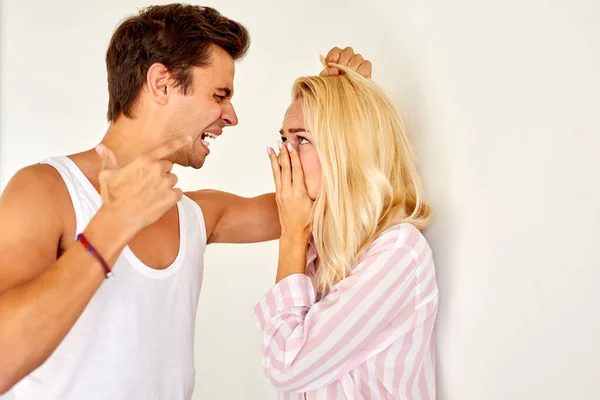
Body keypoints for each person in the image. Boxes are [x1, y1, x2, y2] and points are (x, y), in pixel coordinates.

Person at [0, 3, 372, 399]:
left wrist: (343, 105)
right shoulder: (46, 190)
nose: (231, 116)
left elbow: (316, 198)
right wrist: (110, 227)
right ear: (161, 83)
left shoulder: (198, 214)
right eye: (219, 94)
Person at [254, 61, 438, 399]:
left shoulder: (398, 253)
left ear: (345, 149)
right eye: (283, 138)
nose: (285, 155)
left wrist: (292, 236)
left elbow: (285, 366)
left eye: (302, 139)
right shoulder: (320, 245)